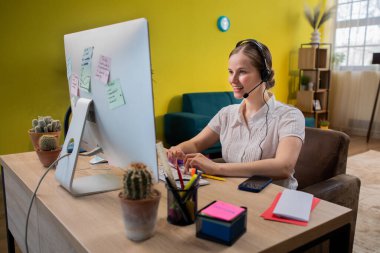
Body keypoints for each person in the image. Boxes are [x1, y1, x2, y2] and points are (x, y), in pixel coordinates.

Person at [167, 39, 305, 189]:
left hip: (275, 199)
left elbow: (284, 166)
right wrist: (177, 150)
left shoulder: (290, 116)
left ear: (264, 75)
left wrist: (216, 168)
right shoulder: (227, 114)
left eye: (242, 72)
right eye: (231, 72)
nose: (232, 80)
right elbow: (196, 143)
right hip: (236, 193)